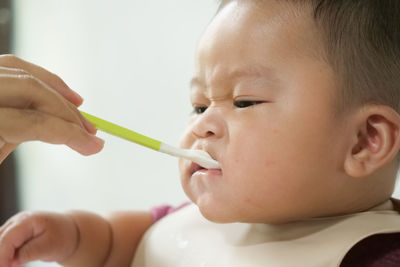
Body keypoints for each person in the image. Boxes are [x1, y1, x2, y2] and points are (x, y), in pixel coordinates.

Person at [1, 0, 400, 266]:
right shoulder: (185, 223)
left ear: (365, 141)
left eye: (244, 102)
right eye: (199, 105)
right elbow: (111, 244)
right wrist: (66, 235)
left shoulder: (379, 253)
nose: (201, 125)